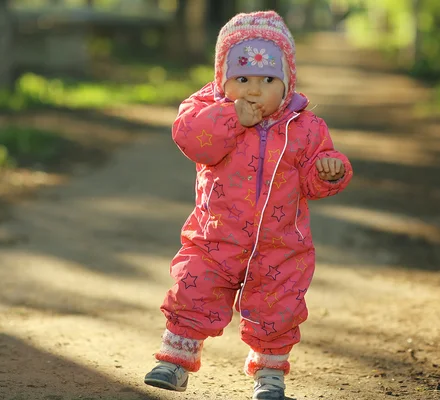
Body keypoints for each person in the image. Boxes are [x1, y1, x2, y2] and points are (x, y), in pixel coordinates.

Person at [144, 10, 353, 400]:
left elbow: (312, 178)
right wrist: (230, 117)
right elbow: (189, 137)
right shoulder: (207, 110)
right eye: (242, 79)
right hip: (214, 238)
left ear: (287, 83)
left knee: (279, 309)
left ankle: (269, 375)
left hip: (280, 244)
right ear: (223, 79)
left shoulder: (305, 128)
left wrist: (329, 172)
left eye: (267, 80)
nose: (253, 91)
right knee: (194, 290)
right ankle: (174, 361)